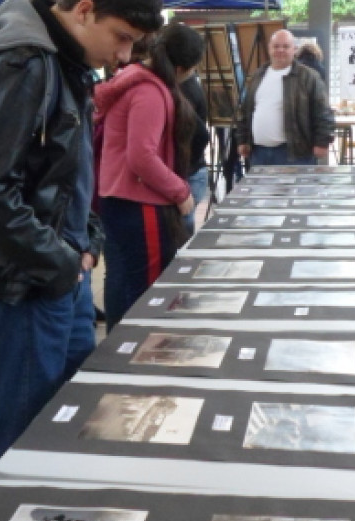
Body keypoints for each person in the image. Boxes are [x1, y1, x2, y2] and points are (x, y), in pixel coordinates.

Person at [0, 0, 163, 480]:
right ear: (85, 10)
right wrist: (59, 262)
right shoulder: (23, 64)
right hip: (24, 286)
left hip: (59, 276)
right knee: (23, 442)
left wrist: (88, 238)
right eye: (122, 37)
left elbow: (67, 175)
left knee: (65, 421)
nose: (124, 56)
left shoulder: (64, 64)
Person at [95, 23, 203, 331]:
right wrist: (180, 191)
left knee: (123, 281)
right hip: (138, 203)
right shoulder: (150, 91)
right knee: (145, 290)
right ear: (182, 67)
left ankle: (120, 349)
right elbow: (142, 157)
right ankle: (136, 355)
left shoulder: (131, 78)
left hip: (119, 200)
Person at [236, 29, 335, 166]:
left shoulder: (309, 77)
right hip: (258, 153)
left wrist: (322, 142)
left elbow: (323, 111)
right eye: (276, 46)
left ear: (294, 49)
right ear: (269, 48)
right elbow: (245, 110)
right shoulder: (257, 76)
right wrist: (242, 140)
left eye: (285, 46)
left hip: (294, 154)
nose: (280, 50)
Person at [180, 68, 212, 232]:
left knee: (183, 227)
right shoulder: (187, 86)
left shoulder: (186, 90)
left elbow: (202, 136)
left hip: (190, 172)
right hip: (192, 170)